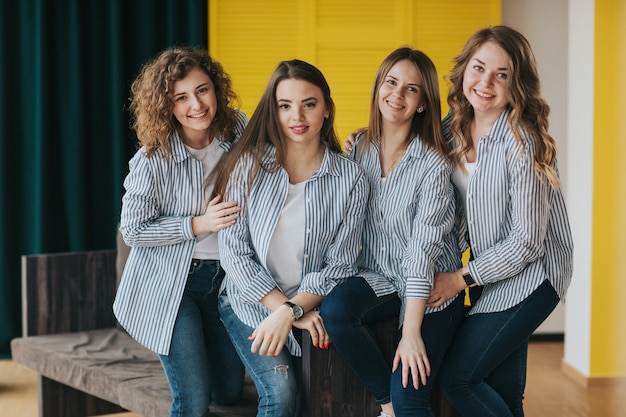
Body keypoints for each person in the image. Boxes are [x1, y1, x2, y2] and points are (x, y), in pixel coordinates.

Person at [426, 25, 574, 417]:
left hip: (533, 275)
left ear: (517, 84)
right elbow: (409, 145)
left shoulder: (523, 142)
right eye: (478, 68)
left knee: (459, 379)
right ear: (464, 71)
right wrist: (366, 140)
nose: (486, 82)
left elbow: (527, 242)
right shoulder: (453, 126)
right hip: (492, 274)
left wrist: (459, 279)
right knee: (505, 393)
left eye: (502, 74)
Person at [212, 59, 369, 417]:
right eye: (285, 106)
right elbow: (234, 253)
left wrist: (293, 308)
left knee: (316, 399)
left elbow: (341, 264)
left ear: (326, 108)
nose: (297, 116)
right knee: (282, 395)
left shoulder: (351, 179)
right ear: (274, 111)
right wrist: (284, 309)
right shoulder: (247, 165)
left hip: (307, 305)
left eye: (308, 104)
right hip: (247, 301)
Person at [320, 47, 465, 417]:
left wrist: (411, 332)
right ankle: (387, 407)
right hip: (380, 276)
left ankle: (398, 404)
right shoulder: (359, 150)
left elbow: (421, 251)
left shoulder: (434, 164)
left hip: (432, 288)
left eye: (411, 89)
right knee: (336, 309)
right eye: (391, 82)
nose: (397, 95)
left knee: (411, 397)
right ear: (378, 88)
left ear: (422, 103)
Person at [113, 46, 248, 417]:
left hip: (227, 282)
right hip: (174, 286)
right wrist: (198, 224)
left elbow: (289, 146)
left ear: (216, 89)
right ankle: (183, 356)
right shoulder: (153, 158)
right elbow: (134, 229)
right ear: (166, 105)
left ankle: (195, 358)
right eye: (181, 97)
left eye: (203, 90)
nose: (197, 105)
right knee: (193, 402)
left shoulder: (237, 127)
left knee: (229, 393)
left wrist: (356, 145)